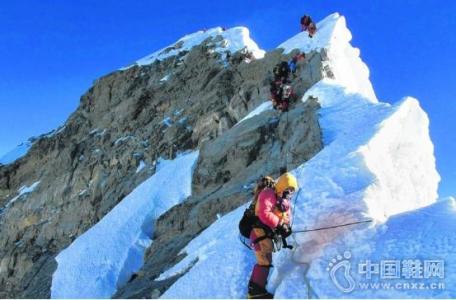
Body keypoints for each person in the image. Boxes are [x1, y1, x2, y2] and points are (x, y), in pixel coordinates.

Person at [248, 173, 298, 299]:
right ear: (282, 186)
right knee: (263, 261)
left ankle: (258, 288)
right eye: (288, 189)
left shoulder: (283, 201)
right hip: (259, 233)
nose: (290, 193)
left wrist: (286, 227)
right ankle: (255, 293)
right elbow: (264, 214)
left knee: (266, 261)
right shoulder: (268, 194)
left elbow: (285, 218)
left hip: (266, 236)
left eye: (292, 191)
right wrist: (280, 224)